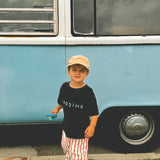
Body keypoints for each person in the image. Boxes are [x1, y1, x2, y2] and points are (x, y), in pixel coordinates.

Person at [51, 55, 99, 160]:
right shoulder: (64, 87)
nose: (77, 73)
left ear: (87, 73)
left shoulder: (88, 92)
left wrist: (92, 127)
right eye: (74, 70)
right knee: (67, 151)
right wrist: (57, 109)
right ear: (69, 72)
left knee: (78, 155)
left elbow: (94, 113)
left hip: (81, 132)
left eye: (82, 70)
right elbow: (62, 102)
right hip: (66, 128)